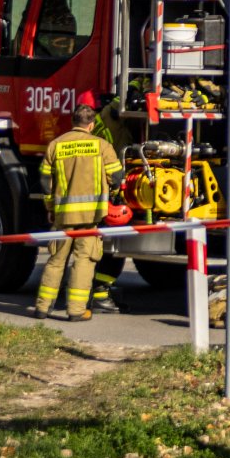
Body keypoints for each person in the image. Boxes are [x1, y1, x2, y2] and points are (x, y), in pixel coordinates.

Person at [35, 101, 121, 321]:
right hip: (90, 217)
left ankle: (43, 307)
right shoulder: (101, 146)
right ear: (91, 125)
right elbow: (117, 176)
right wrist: (113, 190)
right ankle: (76, 311)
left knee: (56, 260)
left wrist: (49, 206)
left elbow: (45, 181)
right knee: (83, 261)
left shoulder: (56, 145)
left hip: (63, 216)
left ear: (72, 122)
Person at [85, 93, 132, 313]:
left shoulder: (63, 143)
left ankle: (90, 294)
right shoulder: (107, 127)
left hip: (80, 204)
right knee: (108, 250)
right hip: (103, 198)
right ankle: (100, 294)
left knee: (84, 252)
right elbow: (115, 173)